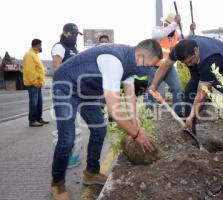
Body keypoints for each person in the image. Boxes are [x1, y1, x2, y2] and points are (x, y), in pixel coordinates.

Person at [50, 39, 162, 200]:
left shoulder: (131, 66)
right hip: (65, 85)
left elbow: (130, 97)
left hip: (87, 91)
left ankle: (91, 173)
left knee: (99, 130)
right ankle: (57, 183)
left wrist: (135, 127)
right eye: (151, 65)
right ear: (140, 56)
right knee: (67, 138)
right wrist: (137, 135)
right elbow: (114, 112)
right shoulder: (114, 61)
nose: (151, 69)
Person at [149, 36, 223, 136]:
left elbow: (201, 94)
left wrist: (191, 115)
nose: (188, 65)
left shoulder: (210, 59)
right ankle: (190, 131)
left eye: (190, 61)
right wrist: (153, 86)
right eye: (185, 63)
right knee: (189, 92)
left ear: (196, 50)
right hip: (205, 64)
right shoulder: (180, 49)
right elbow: (165, 66)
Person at [146, 13, 196, 116]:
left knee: (176, 88)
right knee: (151, 90)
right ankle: (148, 111)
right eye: (173, 25)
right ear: (166, 23)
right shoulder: (157, 30)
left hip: (168, 68)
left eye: (175, 27)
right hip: (154, 67)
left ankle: (177, 111)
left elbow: (185, 39)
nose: (174, 29)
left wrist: (191, 30)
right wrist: (174, 23)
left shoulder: (174, 34)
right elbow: (158, 35)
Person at [23, 39, 49, 127]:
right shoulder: (29, 55)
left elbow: (38, 69)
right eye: (40, 46)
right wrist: (35, 82)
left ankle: (38, 118)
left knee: (39, 102)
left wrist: (40, 82)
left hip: (38, 83)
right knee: (33, 103)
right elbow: (30, 71)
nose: (41, 48)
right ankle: (32, 120)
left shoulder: (35, 55)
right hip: (33, 84)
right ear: (37, 46)